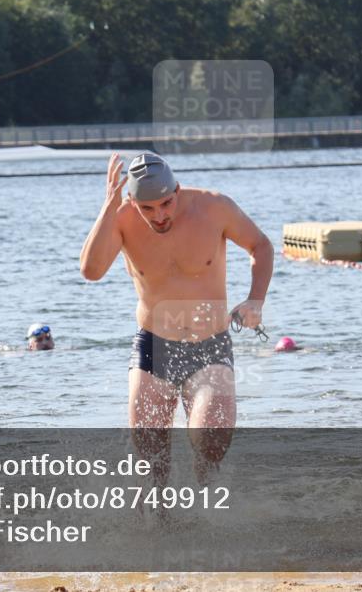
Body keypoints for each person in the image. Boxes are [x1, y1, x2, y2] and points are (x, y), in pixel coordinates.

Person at [80, 152, 273, 484]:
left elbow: (261, 245)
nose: (159, 216)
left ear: (177, 190)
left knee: (211, 444)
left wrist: (255, 300)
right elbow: (91, 271)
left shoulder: (214, 207)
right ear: (132, 202)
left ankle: (205, 502)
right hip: (154, 347)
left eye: (166, 204)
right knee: (151, 466)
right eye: (147, 209)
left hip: (209, 345)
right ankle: (159, 513)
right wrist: (108, 206)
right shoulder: (121, 218)